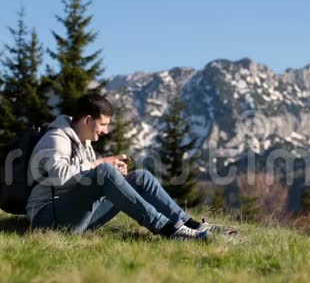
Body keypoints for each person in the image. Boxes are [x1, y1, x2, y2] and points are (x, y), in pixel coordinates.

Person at [26, 94, 236, 240]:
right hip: (48, 218)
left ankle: (191, 225)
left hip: (74, 215)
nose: (106, 131)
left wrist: (114, 176)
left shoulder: (84, 142)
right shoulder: (56, 138)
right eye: (103, 124)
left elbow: (86, 177)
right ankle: (168, 229)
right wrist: (101, 164)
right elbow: (60, 176)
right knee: (105, 170)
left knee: (140, 177)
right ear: (88, 120)